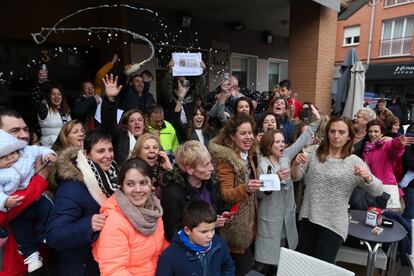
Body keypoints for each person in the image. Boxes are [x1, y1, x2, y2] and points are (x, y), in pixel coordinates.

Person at [291, 116, 383, 263]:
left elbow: (378, 191)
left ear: (349, 137)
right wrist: (295, 165)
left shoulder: (354, 162)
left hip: (333, 223)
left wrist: (368, 178)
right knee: (304, 266)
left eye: (341, 132)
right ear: (327, 133)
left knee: (322, 269)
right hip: (309, 217)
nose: (336, 136)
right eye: (332, 131)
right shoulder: (313, 152)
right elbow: (295, 177)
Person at [254, 106, 320, 271]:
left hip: (287, 219)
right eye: (277, 142)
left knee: (283, 260)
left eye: (283, 141)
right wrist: (276, 179)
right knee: (264, 263)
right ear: (269, 144)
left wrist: (316, 122)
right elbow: (260, 195)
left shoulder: (286, 156)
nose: (282, 144)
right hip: (270, 219)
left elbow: (301, 140)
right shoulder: (261, 164)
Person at [46, 131, 119, 276]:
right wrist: (88, 224)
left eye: (110, 150)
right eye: (101, 151)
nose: (108, 155)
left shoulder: (113, 178)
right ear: (86, 154)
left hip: (107, 263)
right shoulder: (71, 187)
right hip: (82, 267)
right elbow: (54, 235)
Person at [93, 158, 167, 275]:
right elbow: (114, 271)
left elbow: (161, 249)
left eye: (143, 183)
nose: (138, 190)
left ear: (151, 183)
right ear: (122, 185)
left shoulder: (154, 211)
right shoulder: (114, 222)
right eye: (130, 184)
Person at [209, 113, 260, 276]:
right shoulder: (226, 159)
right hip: (234, 231)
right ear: (232, 136)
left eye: (250, 132)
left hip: (249, 228)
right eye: (243, 133)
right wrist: (245, 188)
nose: (248, 137)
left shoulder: (249, 155)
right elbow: (226, 194)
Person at [0, 129, 55, 273]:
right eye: (14, 131)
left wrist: (47, 156)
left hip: (43, 255)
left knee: (47, 207)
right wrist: (40, 180)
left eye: (25, 129)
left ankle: (46, 237)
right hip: (10, 263)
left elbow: (38, 151)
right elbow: (8, 210)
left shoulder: (25, 155)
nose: (24, 135)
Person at [161, 140, 230, 241]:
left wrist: (222, 214)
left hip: (213, 243)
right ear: (189, 169)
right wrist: (208, 226)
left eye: (210, 162)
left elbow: (216, 208)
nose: (211, 168)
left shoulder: (212, 183)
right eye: (205, 165)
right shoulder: (173, 193)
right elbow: (173, 233)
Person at [156, 200, 235, 276]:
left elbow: (228, 267)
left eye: (212, 229)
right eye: (204, 232)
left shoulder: (219, 243)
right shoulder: (169, 256)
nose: (210, 235)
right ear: (188, 230)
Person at [362, 119, 413, 206]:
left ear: (382, 133)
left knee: (387, 218)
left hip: (386, 188)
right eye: (370, 131)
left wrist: (398, 143)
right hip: (370, 188)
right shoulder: (367, 148)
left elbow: (395, 152)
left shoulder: (387, 144)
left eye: (376, 131)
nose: (372, 134)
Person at [100, 74, 146, 165]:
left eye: (140, 120)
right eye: (132, 121)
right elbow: (109, 123)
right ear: (126, 125)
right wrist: (110, 100)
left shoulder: (150, 139)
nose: (137, 122)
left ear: (144, 124)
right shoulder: (120, 138)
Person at [32, 69, 72, 147]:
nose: (56, 96)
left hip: (65, 148)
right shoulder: (44, 108)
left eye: (59, 94)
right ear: (49, 97)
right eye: (53, 94)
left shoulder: (66, 110)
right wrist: (39, 81)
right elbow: (35, 98)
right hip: (49, 148)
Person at [130, 133, 173, 198]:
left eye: (155, 147)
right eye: (147, 148)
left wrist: (169, 170)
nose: (152, 151)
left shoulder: (162, 171)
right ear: (138, 153)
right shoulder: (131, 172)